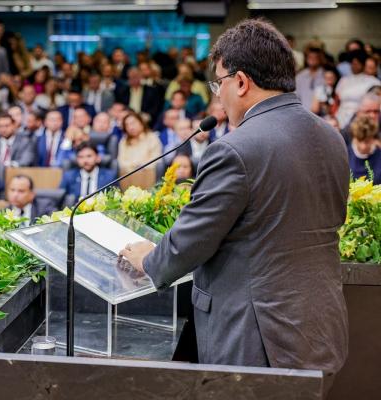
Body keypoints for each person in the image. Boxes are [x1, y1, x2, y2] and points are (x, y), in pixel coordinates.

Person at [120, 19, 350, 389]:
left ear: (240, 82)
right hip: (320, 328)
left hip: (257, 342)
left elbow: (188, 244)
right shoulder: (331, 136)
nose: (219, 96)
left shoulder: (234, 149)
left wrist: (146, 259)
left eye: (219, 84)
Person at [0, 112, 36, 178]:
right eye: (0, 126)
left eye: (6, 126)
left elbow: (26, 160)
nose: (3, 129)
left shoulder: (24, 141)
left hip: (17, 175)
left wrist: (7, 166)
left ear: (14, 125)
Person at [335, 49, 381, 128]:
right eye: (352, 64)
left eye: (357, 64)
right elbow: (337, 99)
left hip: (361, 121)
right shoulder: (344, 80)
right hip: (340, 118)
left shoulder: (373, 82)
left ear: (363, 64)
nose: (354, 66)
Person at [347, 114, 380, 184]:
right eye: (359, 141)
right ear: (354, 137)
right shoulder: (346, 154)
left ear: (373, 137)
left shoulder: (379, 154)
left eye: (367, 141)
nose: (363, 146)